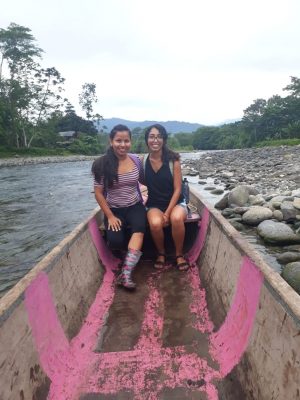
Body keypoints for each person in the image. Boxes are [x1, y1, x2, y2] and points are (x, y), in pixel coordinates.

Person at [92, 124, 146, 289]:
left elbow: (144, 182)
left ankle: (126, 274)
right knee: (115, 241)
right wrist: (110, 216)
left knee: (139, 230)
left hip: (135, 205)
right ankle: (124, 251)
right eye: (118, 141)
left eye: (126, 141)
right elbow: (99, 193)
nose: (123, 145)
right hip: (114, 208)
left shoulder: (136, 160)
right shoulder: (102, 164)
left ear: (130, 141)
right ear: (111, 141)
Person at [144, 123, 189, 271]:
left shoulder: (173, 160)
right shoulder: (143, 161)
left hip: (176, 202)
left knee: (176, 218)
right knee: (156, 224)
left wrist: (167, 213)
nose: (155, 140)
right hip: (154, 204)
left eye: (159, 137)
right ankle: (161, 253)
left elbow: (177, 190)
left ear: (164, 140)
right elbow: (138, 181)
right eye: (151, 137)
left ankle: (179, 254)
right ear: (147, 140)